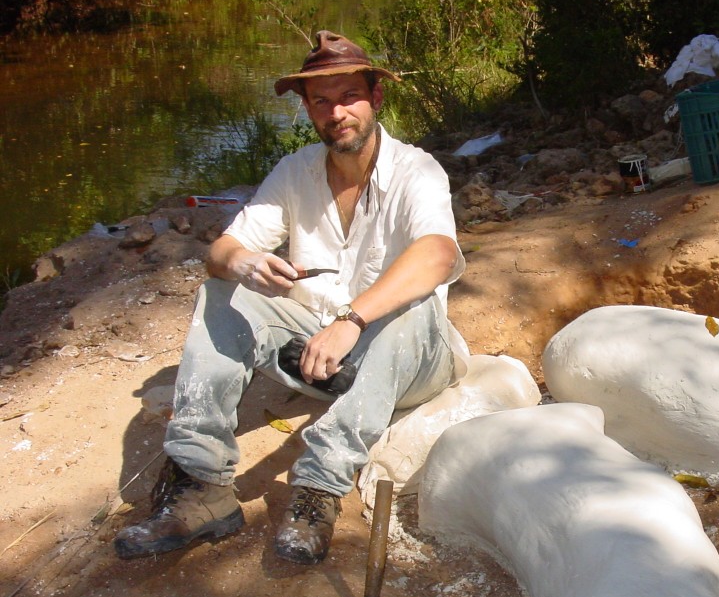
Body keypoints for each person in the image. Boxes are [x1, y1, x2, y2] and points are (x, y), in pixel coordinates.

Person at [114, 30, 466, 565]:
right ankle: (201, 484)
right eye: (320, 102)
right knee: (221, 293)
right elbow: (221, 251)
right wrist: (244, 262)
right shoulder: (295, 171)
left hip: (410, 362)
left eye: (348, 96)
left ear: (376, 98)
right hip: (320, 359)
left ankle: (318, 491)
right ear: (306, 109)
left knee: (409, 308)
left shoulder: (416, 170)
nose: (336, 113)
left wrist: (352, 318)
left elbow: (438, 254)